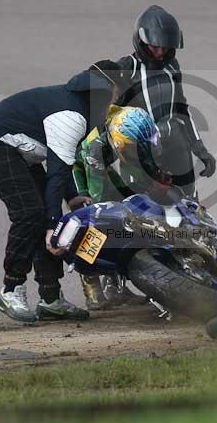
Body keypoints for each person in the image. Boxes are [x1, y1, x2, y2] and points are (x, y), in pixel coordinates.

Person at [0, 60, 122, 322]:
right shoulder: (71, 115)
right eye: (116, 94)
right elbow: (56, 173)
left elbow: (61, 161)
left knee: (47, 216)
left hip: (18, 150)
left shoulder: (79, 106)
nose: (115, 102)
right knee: (30, 213)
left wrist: (72, 196)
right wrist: (53, 225)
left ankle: (51, 299)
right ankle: (11, 289)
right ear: (105, 91)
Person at [71, 105, 172, 309]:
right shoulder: (96, 149)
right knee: (97, 223)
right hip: (81, 173)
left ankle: (116, 287)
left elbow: (138, 162)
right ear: (119, 144)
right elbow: (97, 196)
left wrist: (154, 178)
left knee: (128, 206)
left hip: (105, 168)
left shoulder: (130, 122)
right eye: (134, 148)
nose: (139, 151)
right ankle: (91, 287)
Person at [112, 5, 216, 197]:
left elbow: (182, 109)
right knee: (140, 208)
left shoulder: (172, 67)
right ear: (141, 42)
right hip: (140, 152)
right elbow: (110, 118)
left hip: (175, 145)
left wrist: (201, 150)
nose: (160, 53)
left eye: (165, 48)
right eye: (154, 47)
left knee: (188, 205)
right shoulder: (125, 68)